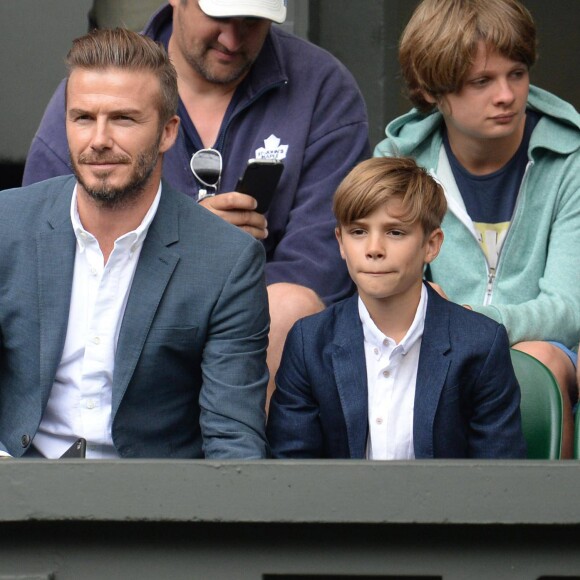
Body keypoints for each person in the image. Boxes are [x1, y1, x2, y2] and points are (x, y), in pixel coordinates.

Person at [22, 0, 371, 409]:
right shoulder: (106, 83)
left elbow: (324, 258)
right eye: (220, 18)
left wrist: (226, 286)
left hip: (264, 327)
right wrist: (183, 240)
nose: (232, 38)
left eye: (252, 22)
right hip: (125, 311)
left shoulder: (322, 86)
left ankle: (258, 472)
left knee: (290, 305)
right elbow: (46, 243)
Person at [0, 28, 269, 459]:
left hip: (152, 511)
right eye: (83, 118)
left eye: (123, 119)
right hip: (17, 492)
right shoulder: (6, 225)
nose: (99, 139)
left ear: (167, 133)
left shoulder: (226, 260)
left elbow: (233, 443)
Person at [374, 0, 580, 457]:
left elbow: (568, 310)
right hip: (424, 350)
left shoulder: (571, 162)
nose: (506, 95)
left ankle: (538, 527)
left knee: (534, 363)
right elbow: (382, 296)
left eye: (517, 73)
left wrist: (467, 321)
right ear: (433, 91)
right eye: (481, 81)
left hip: (550, 352)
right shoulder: (395, 167)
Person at [267, 157, 526, 459]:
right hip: (335, 507)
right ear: (340, 242)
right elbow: (293, 470)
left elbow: (496, 478)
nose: (374, 249)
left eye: (395, 233)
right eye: (358, 232)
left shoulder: (480, 344)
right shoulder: (309, 341)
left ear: (431, 244)